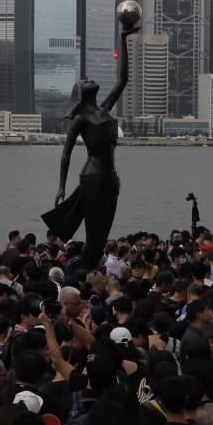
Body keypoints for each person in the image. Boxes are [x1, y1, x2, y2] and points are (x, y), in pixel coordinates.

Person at [43, 20, 140, 271]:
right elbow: (66, 153)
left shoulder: (104, 108)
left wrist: (123, 39)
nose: (91, 80)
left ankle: (89, 275)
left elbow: (123, 78)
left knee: (102, 235)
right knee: (94, 238)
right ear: (80, 92)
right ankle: (81, 278)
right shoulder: (80, 119)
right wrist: (62, 186)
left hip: (110, 179)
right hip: (92, 178)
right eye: (85, 81)